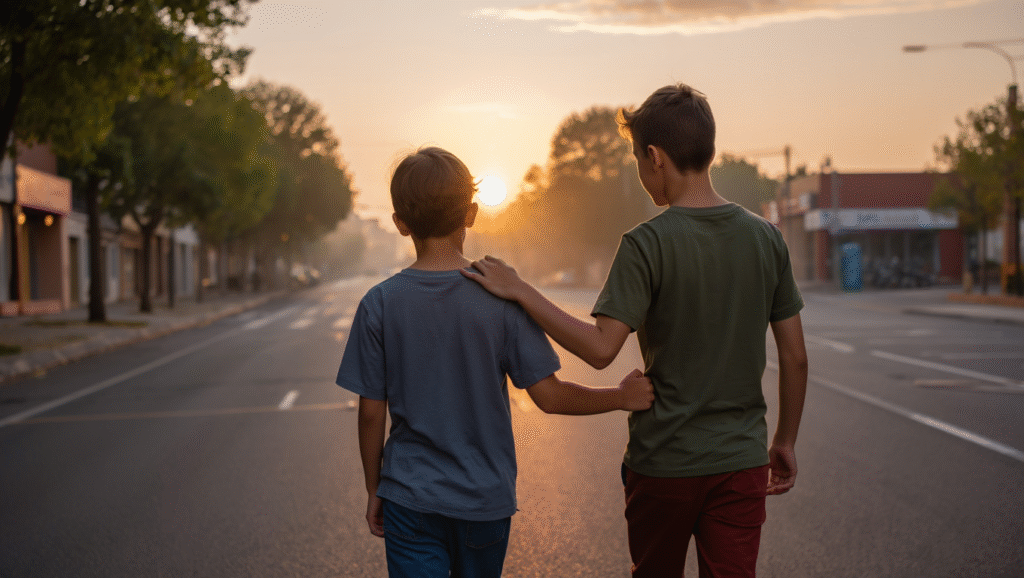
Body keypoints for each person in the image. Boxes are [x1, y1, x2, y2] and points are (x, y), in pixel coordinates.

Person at [462, 84, 809, 577]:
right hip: (741, 462)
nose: (640, 173)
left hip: (664, 464)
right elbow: (795, 358)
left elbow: (601, 349)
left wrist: (521, 291)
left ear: (655, 158)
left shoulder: (646, 244)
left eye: (635, 160)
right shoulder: (766, 239)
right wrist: (786, 440)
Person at [336, 146, 655, 578]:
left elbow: (371, 413)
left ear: (400, 223)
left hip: (409, 497)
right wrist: (619, 397)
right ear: (470, 213)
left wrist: (376, 488)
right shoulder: (501, 296)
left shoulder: (379, 305)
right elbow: (551, 396)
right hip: (484, 502)